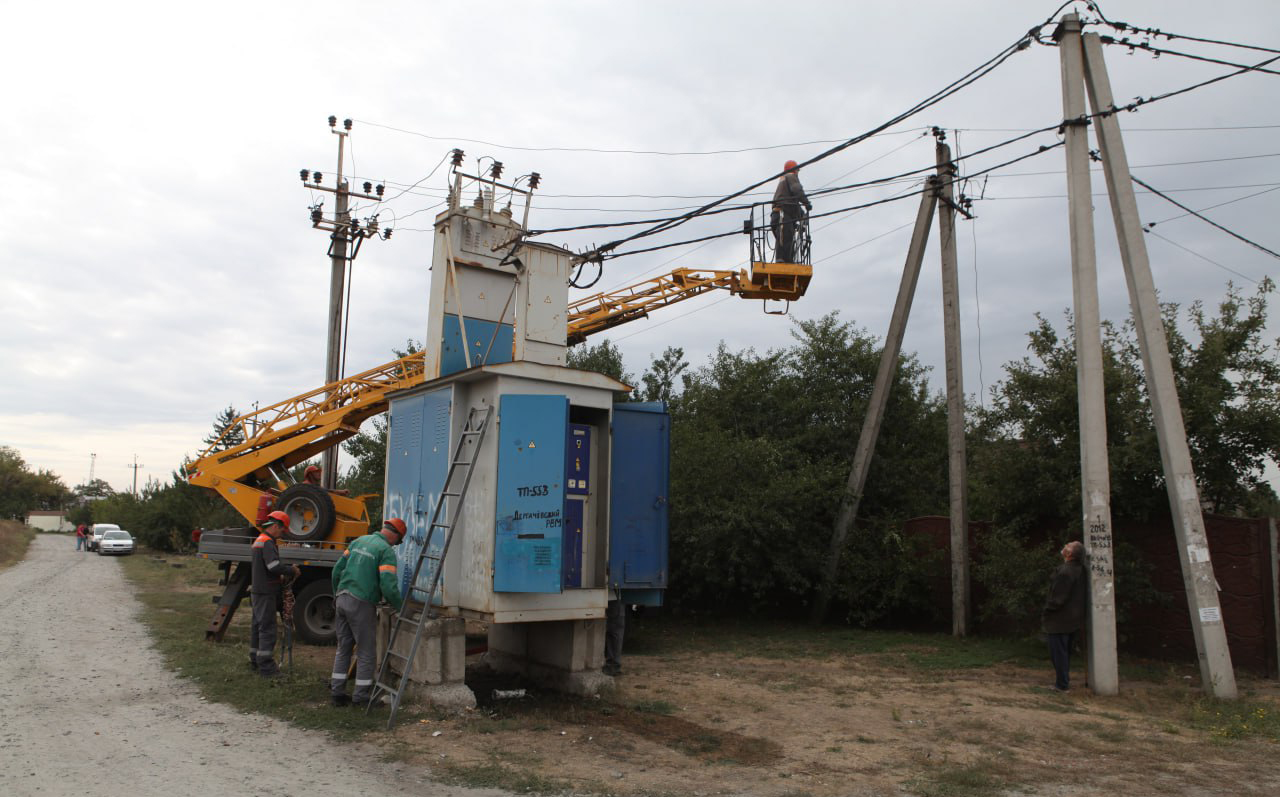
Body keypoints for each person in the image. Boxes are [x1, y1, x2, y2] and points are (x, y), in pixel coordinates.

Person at [329, 517, 406, 707]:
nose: (396, 545)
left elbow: (336, 571)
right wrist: (400, 606)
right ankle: (361, 697)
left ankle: (337, 693)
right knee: (366, 652)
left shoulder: (359, 541)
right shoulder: (385, 551)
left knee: (343, 648)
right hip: (361, 603)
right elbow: (388, 586)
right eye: (398, 542)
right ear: (395, 536)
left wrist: (336, 595)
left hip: (342, 598)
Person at [250, 510, 299, 677]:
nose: (281, 534)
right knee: (267, 629)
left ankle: (255, 660)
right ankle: (267, 668)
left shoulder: (260, 540)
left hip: (259, 590)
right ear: (276, 526)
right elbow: (273, 567)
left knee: (257, 627)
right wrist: (290, 569)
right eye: (282, 530)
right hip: (265, 591)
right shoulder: (268, 542)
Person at [1042, 540, 1086, 692]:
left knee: (1058, 653)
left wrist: (1049, 609)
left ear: (1070, 553)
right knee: (1064, 652)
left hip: (1060, 620)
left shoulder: (1066, 572)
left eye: (1068, 546)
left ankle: (1062, 684)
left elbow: (1058, 596)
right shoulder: (1079, 569)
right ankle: (1063, 682)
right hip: (1072, 619)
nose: (1065, 546)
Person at [771, 159, 812, 263]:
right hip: (783, 214)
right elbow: (797, 190)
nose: (798, 172)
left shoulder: (783, 181)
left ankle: (787, 259)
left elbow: (791, 202)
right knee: (784, 237)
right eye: (797, 170)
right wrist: (806, 203)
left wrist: (801, 215)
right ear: (794, 170)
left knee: (786, 238)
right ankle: (782, 260)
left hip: (778, 214)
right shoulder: (790, 177)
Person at [603, 593, 625, 677]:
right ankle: (614, 666)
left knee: (613, 633)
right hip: (615, 597)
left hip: (612, 597)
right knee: (615, 633)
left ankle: (612, 666)